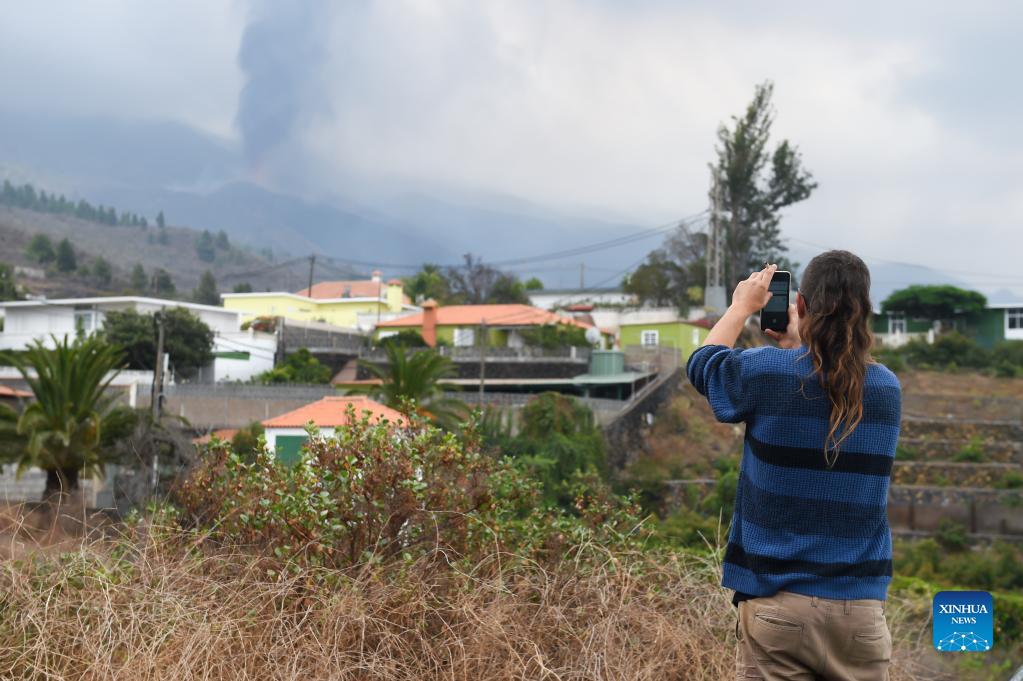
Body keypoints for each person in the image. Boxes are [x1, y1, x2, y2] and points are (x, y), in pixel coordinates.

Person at [686, 251, 900, 681]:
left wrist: (740, 307)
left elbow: (703, 366)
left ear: (800, 305)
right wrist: (800, 345)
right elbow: (826, 378)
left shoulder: (768, 372)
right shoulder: (886, 389)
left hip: (778, 608)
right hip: (860, 616)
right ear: (865, 311)